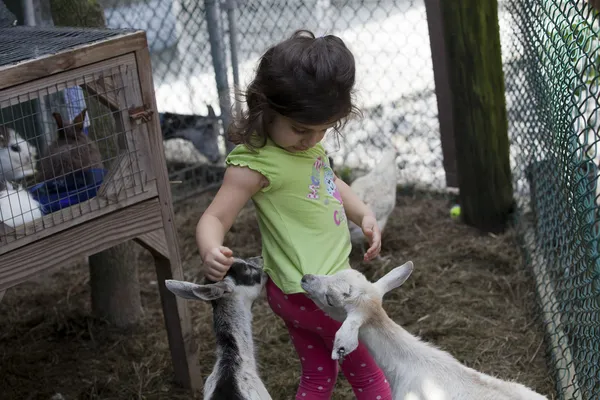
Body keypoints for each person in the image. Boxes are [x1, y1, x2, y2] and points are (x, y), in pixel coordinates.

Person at [196, 29, 392, 400]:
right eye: (302, 129)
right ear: (265, 108)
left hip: (298, 297)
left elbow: (331, 181)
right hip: (322, 298)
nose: (312, 140)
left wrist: (363, 213)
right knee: (370, 375)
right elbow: (214, 218)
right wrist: (210, 248)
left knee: (318, 376)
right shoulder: (254, 165)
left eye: (323, 130)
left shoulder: (306, 149)